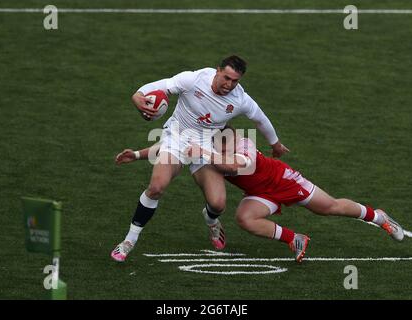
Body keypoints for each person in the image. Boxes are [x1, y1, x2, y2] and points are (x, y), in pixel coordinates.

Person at [116, 126, 404, 263]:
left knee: (329, 207)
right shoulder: (209, 144)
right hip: (259, 193)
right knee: (244, 218)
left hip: (283, 182)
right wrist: (139, 155)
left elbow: (234, 165)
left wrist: (205, 153)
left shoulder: (242, 145)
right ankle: (296, 239)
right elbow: (170, 150)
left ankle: (378, 217)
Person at [111, 56, 289, 262]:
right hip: (176, 138)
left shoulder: (240, 99)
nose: (229, 85)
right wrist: (137, 96)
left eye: (235, 81)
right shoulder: (193, 79)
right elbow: (160, 86)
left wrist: (275, 144)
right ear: (217, 70)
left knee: (218, 204)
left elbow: (260, 119)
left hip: (206, 146)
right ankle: (129, 241)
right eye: (226, 78)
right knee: (157, 187)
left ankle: (211, 219)